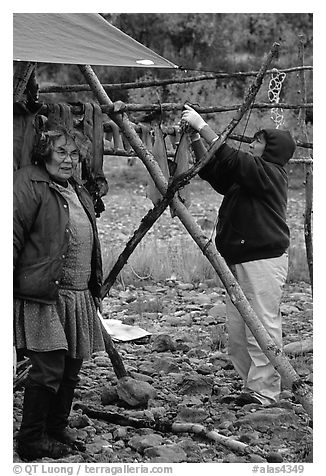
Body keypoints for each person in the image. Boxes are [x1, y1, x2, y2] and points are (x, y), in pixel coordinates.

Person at [181, 104, 296, 406]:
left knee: (261, 325)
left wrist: (202, 124)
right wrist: (195, 138)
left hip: (262, 260)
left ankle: (266, 392)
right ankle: (253, 387)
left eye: (258, 140)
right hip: (240, 260)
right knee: (239, 330)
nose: (252, 143)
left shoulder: (270, 173)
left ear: (271, 149)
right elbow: (215, 172)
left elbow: (230, 156)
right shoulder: (250, 176)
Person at [13, 123, 106, 460]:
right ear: (45, 152)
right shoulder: (28, 183)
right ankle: (31, 440)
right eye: (61, 152)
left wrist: (94, 288)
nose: (69, 160)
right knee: (49, 367)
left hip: (77, 294)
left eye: (74, 154)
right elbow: (10, 236)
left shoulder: (76, 189)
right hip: (44, 295)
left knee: (71, 366)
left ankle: (55, 427)